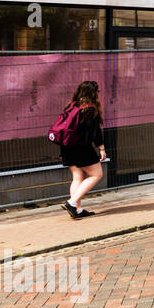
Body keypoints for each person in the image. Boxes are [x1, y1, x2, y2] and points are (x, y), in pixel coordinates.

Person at [59, 80, 106, 219]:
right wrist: (101, 148)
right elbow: (95, 132)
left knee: (77, 177)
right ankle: (72, 203)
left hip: (67, 146)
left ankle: (77, 210)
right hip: (82, 147)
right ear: (94, 93)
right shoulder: (90, 109)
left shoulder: (71, 106)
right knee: (97, 174)